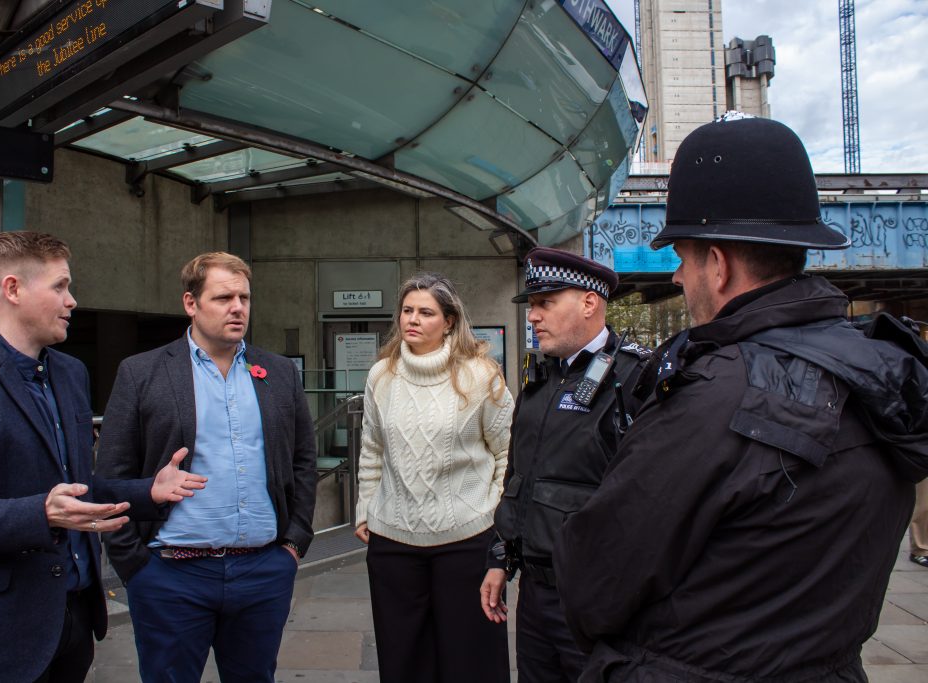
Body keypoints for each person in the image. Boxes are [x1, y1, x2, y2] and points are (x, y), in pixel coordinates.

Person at [554, 115, 928, 681]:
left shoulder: (715, 397)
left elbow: (595, 580)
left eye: (681, 258)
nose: (677, 277)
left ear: (719, 265)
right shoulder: (879, 370)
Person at [0, 231, 206, 683]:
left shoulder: (69, 373)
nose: (73, 300)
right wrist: (40, 512)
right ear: (12, 289)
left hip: (72, 623)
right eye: (60, 286)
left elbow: (76, 488)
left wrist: (149, 491)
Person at [94, 252, 317, 683]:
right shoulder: (142, 373)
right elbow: (110, 479)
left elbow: (303, 461)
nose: (238, 307)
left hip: (262, 572)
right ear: (190, 303)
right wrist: (135, 566)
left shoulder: (279, 373)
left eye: (244, 297)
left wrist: (293, 545)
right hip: (170, 576)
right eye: (223, 297)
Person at [481, 247, 651, 683]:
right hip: (536, 595)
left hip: (598, 597)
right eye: (532, 306)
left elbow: (651, 497)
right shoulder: (541, 379)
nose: (533, 316)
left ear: (590, 302)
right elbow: (517, 476)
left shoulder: (633, 378)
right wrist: (500, 558)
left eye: (545, 303)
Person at [354, 272, 514, 683]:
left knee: (471, 661)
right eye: (407, 310)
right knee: (403, 661)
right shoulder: (381, 376)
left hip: (467, 542)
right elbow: (372, 448)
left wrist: (497, 517)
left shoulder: (481, 375)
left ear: (449, 319)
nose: (413, 319)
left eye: (426, 312)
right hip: (393, 544)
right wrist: (364, 507)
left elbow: (508, 451)